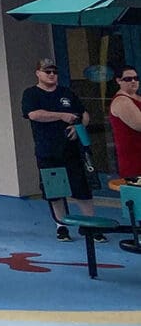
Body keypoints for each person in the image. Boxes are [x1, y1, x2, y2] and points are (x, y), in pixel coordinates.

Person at [22, 57, 102, 242]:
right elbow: (34, 114)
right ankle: (61, 225)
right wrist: (61, 116)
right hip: (48, 150)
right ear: (38, 73)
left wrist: (78, 126)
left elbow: (84, 114)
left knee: (81, 188)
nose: (51, 75)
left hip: (72, 150)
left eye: (54, 72)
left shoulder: (67, 93)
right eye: (47, 71)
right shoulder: (31, 94)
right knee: (55, 191)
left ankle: (91, 224)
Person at [109, 65, 141, 178]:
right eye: (128, 79)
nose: (133, 81)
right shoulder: (121, 101)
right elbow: (139, 124)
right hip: (134, 160)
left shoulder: (137, 98)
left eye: (136, 78)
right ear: (118, 81)